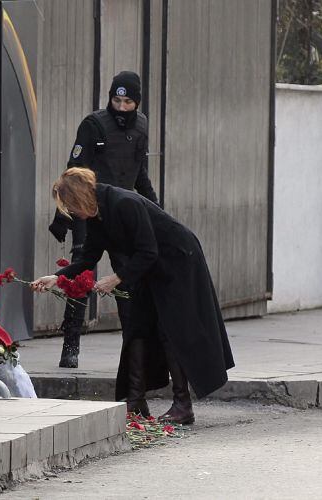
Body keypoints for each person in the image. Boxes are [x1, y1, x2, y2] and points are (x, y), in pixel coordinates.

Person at [33, 168, 234, 423]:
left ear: (81, 197)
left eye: (71, 206)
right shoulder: (96, 215)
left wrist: (117, 278)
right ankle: (136, 401)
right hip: (147, 267)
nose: (71, 212)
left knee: (170, 329)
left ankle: (183, 406)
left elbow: (148, 251)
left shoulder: (123, 203)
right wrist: (57, 277)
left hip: (178, 260)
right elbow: (88, 257)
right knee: (137, 326)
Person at [49, 71, 158, 369]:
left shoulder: (142, 126)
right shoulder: (94, 125)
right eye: (116, 100)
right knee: (82, 276)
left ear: (137, 102)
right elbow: (72, 174)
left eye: (128, 102)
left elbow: (141, 174)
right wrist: (63, 215)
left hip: (123, 214)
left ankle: (132, 350)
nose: (121, 107)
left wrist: (155, 209)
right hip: (89, 210)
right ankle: (71, 344)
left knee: (126, 280)